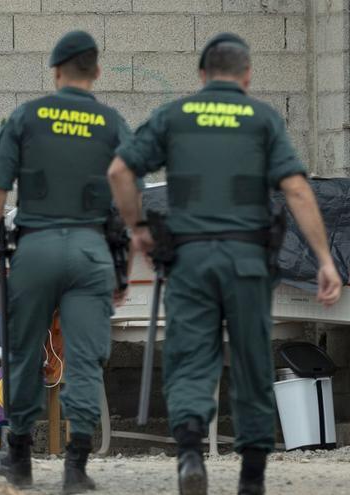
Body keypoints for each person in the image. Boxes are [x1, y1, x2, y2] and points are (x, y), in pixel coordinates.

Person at [107, 32, 343, 495]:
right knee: (253, 361)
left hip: (191, 259)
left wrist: (136, 227)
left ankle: (192, 452)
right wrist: (323, 259)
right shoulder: (261, 118)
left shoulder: (175, 116)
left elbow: (119, 172)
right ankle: (252, 474)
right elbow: (297, 190)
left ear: (201, 75)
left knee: (191, 357)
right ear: (248, 75)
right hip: (248, 261)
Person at [0, 30, 134, 492]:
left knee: (24, 353)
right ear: (97, 71)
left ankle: (18, 455)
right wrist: (122, 265)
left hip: (36, 248)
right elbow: (127, 194)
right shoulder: (112, 122)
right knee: (84, 359)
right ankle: (76, 466)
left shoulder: (26, 117)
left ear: (56, 70)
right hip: (91, 250)